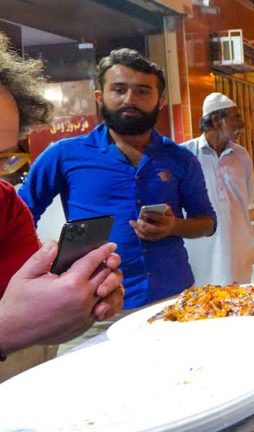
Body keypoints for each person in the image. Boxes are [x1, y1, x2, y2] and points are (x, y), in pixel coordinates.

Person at [19, 49, 216, 309]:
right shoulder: (64, 155)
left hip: (173, 301)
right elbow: (19, 216)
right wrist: (45, 264)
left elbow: (207, 223)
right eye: (119, 90)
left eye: (143, 91)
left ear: (161, 101)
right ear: (100, 97)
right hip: (93, 307)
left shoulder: (180, 159)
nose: (130, 99)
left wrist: (173, 227)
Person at [0, 42, 123, 380]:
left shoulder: (5, 204)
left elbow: (31, 298)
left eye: (2, 158)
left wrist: (75, 298)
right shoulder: (65, 154)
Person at [182, 93, 254, 286]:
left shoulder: (242, 155)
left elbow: (247, 197)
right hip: (201, 251)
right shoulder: (186, 155)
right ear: (216, 120)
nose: (242, 124)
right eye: (235, 118)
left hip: (238, 245)